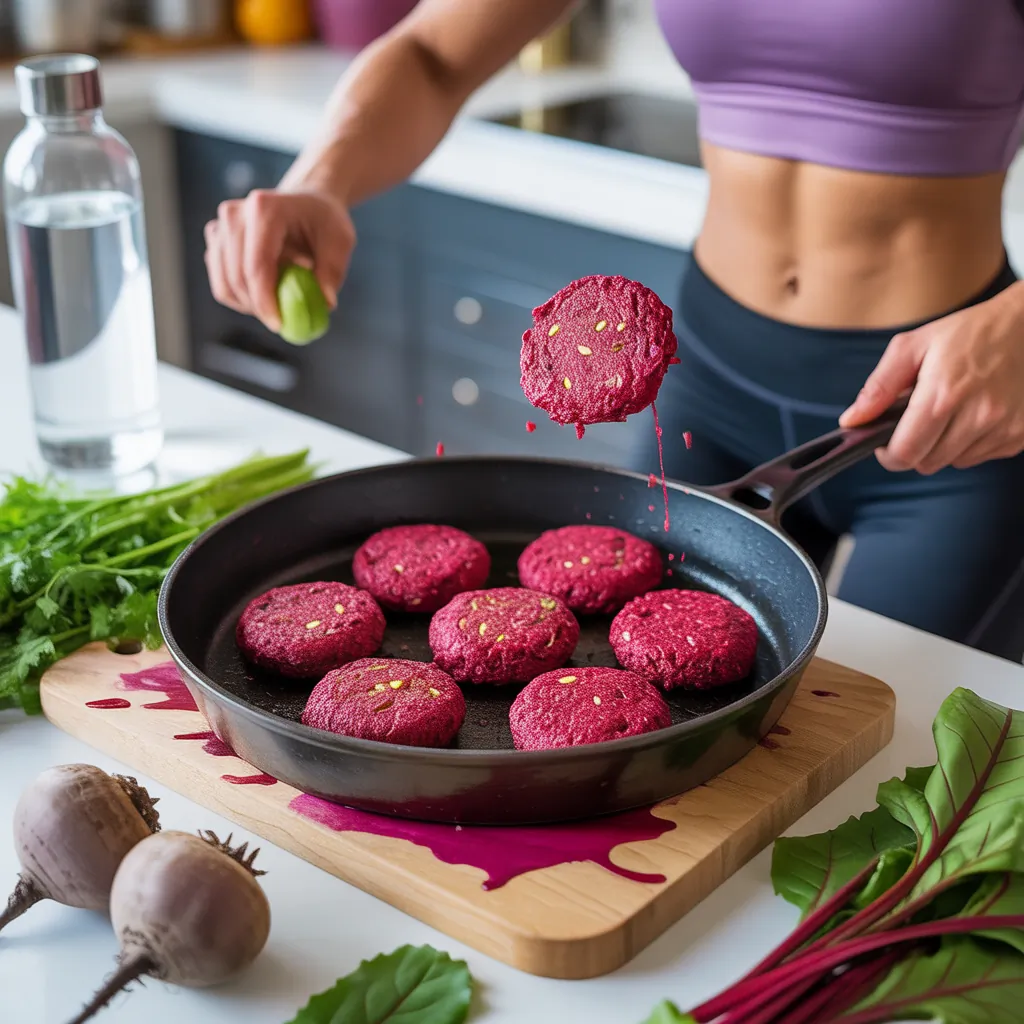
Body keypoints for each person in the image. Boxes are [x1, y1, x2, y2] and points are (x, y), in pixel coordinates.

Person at [204, 0, 1024, 662]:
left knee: (910, 756)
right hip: (711, 380)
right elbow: (433, 54)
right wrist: (320, 182)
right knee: (670, 714)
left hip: (956, 407)